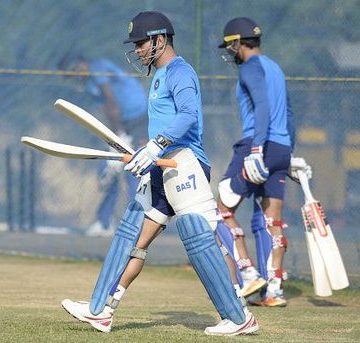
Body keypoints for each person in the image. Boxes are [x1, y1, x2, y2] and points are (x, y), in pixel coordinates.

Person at [61, 11, 259, 336]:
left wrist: (156, 146)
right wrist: (146, 152)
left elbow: (188, 116)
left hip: (184, 163)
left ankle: (238, 317)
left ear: (159, 39)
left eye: (141, 43)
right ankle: (101, 310)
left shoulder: (181, 72)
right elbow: (164, 124)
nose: (137, 49)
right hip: (162, 166)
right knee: (131, 234)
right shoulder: (159, 75)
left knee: (201, 236)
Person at [215, 17, 312, 307]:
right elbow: (289, 114)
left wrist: (256, 149)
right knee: (274, 220)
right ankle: (274, 291)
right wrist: (288, 152)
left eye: (230, 45)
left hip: (258, 145)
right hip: (281, 147)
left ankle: (247, 272)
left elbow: (262, 107)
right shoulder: (275, 68)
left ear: (237, 43)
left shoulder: (249, 68)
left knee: (219, 210)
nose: (230, 52)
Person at [59, 55, 148, 237]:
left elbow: (111, 101)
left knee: (134, 170)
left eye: (74, 72)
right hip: (121, 126)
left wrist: (121, 136)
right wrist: (115, 137)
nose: (76, 77)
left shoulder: (98, 66)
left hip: (139, 121)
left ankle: (138, 223)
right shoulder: (90, 85)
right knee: (108, 171)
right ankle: (104, 221)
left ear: (81, 64)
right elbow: (107, 111)